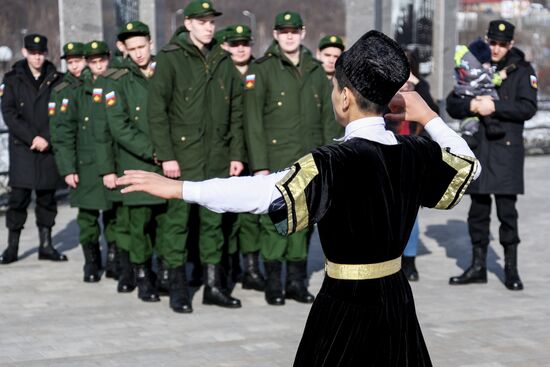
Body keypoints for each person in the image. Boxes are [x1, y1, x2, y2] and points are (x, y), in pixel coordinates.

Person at [117, 30, 480, 365]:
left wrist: (181, 188)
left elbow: (262, 192)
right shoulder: (414, 152)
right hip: (397, 299)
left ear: (344, 97)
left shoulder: (335, 161)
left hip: (345, 304)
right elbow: (468, 166)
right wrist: (429, 116)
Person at [148, 0, 245, 309]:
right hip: (183, 156)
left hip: (217, 155)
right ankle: (177, 288)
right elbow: (157, 111)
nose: (208, 26)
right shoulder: (171, 58)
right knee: (177, 223)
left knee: (213, 223)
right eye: (201, 21)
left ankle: (213, 287)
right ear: (188, 23)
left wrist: (236, 154)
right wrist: (166, 156)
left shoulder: (223, 59)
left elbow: (237, 110)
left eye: (211, 21)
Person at [244, 10, 340, 306]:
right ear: (275, 34)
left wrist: (328, 160)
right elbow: (253, 121)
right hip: (274, 159)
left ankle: (296, 282)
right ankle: (274, 281)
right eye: (283, 31)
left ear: (302, 33)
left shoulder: (314, 69)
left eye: (294, 31)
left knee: (304, 219)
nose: (289, 35)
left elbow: (328, 117)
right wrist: (259, 164)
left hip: (309, 158)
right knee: (274, 221)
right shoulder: (262, 68)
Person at [447, 20, 537, 291]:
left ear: (510, 44)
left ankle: (511, 269)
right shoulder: (474, 63)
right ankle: (477, 266)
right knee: (477, 212)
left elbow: (527, 107)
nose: (496, 49)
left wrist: (493, 106)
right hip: (479, 150)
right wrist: (473, 103)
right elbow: (453, 103)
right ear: (487, 40)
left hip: (506, 151)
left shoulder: (522, 70)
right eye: (492, 43)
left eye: (502, 44)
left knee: (507, 214)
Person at [100, 21, 182, 309]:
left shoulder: (167, 70)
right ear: (124, 49)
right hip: (137, 163)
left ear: (150, 43)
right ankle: (143, 275)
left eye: (141, 46)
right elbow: (119, 127)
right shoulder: (117, 80)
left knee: (165, 223)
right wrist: (155, 152)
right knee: (139, 225)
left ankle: (162, 272)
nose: (138, 53)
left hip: (169, 163)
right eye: (131, 48)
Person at [0, 34, 66, 264]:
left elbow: (62, 113)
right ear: (25, 52)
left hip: (48, 148)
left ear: (45, 53)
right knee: (18, 199)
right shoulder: (12, 79)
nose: (37, 57)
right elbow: (8, 113)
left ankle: (46, 246)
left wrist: (46, 138)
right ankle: (12, 247)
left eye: (41, 53)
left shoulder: (57, 78)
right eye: (33, 53)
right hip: (23, 148)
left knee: (47, 198)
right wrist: (32, 137)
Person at [54, 41, 116, 282]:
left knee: (114, 213)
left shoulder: (108, 83)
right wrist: (68, 168)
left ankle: (113, 258)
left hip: (110, 161)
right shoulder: (69, 91)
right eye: (71, 62)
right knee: (87, 216)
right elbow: (63, 133)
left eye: (79, 61)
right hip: (84, 164)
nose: (76, 66)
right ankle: (91, 262)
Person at [221, 24, 266, 291]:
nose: (240, 48)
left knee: (251, 215)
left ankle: (251, 268)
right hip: (226, 155)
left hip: (255, 155)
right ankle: (228, 267)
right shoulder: (219, 72)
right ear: (225, 46)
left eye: (244, 44)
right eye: (234, 44)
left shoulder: (260, 70)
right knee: (226, 215)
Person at [395, 49, 440, 281]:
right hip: (389, 154)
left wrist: (415, 87)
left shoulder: (420, 90)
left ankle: (409, 262)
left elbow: (434, 113)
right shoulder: (384, 88)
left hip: (412, 157)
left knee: (411, 213)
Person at [453, 38, 508, 148]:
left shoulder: (463, 70)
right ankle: (491, 124)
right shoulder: (480, 73)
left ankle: (468, 133)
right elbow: (490, 78)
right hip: (482, 96)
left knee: (470, 119)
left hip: (465, 94)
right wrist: (499, 76)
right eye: (486, 62)